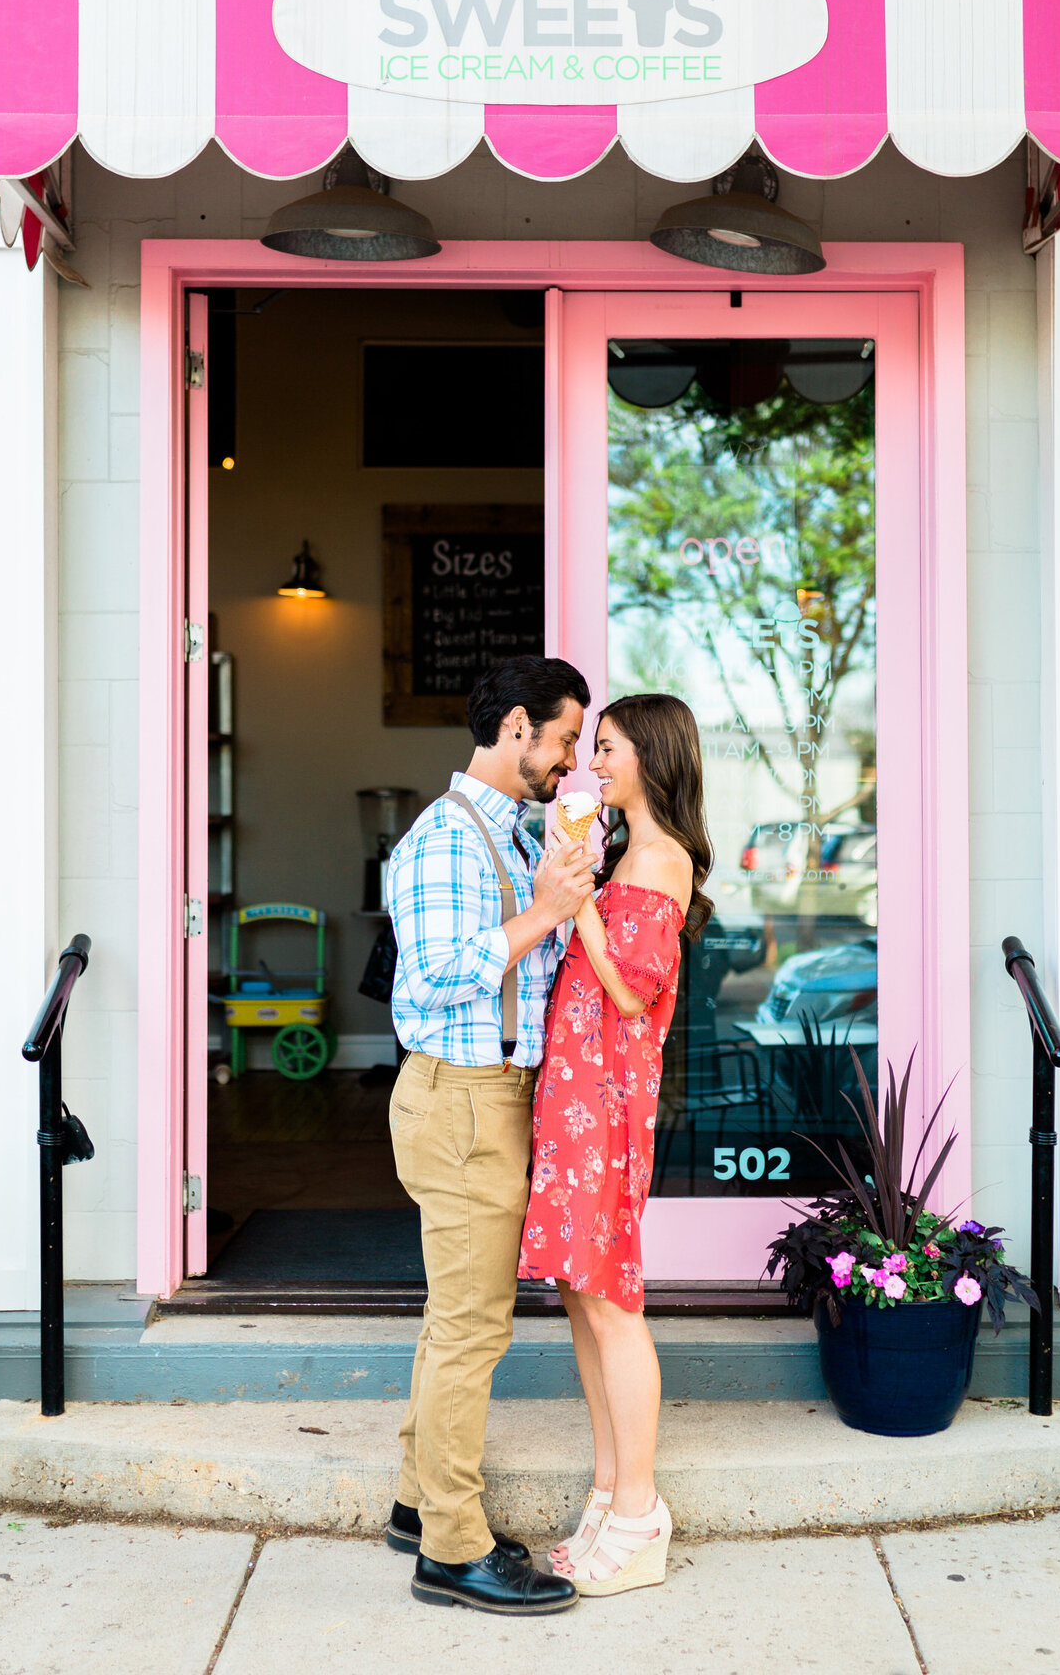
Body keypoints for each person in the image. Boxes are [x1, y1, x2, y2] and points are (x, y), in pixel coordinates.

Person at [384, 655, 597, 1616]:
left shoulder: (510, 836)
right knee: (474, 1329)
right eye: (563, 740)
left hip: (489, 1097)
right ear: (517, 726)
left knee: (453, 1322)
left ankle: (417, 1503)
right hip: (463, 1099)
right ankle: (453, 1552)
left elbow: (528, 964)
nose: (571, 762)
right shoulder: (445, 840)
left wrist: (561, 900)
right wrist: (546, 912)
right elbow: (432, 977)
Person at [518, 693, 713, 1598]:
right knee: (580, 1294)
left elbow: (634, 992)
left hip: (606, 1098)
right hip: (574, 1093)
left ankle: (638, 1512)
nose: (595, 763)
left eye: (608, 747)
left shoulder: (662, 858)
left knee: (612, 1302)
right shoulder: (623, 849)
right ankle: (606, 1491)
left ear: (652, 754)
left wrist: (580, 904)